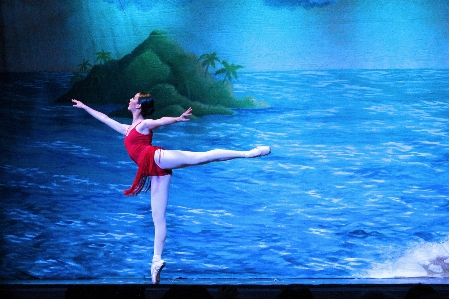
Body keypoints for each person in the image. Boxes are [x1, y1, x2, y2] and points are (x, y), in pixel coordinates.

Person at [72, 92, 271, 284]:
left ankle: (248, 153)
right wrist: (84, 107)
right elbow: (105, 118)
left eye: (133, 98)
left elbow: (160, 121)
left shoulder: (143, 124)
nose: (130, 100)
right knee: (158, 218)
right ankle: (156, 261)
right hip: (155, 172)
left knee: (202, 157)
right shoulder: (128, 128)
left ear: (139, 105)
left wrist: (177, 119)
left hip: (158, 158)